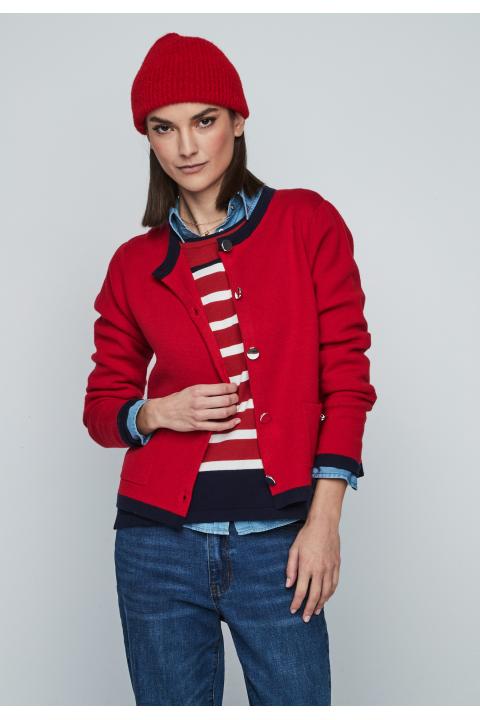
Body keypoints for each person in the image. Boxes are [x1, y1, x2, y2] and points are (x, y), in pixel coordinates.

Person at [82, 32, 377, 706]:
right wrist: (159, 412)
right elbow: (101, 408)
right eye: (164, 127)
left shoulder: (306, 222)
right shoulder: (134, 264)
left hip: (279, 543)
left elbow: (347, 378)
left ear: (238, 122)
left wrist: (324, 521)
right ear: (149, 139)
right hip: (157, 547)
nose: (186, 146)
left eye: (204, 120)